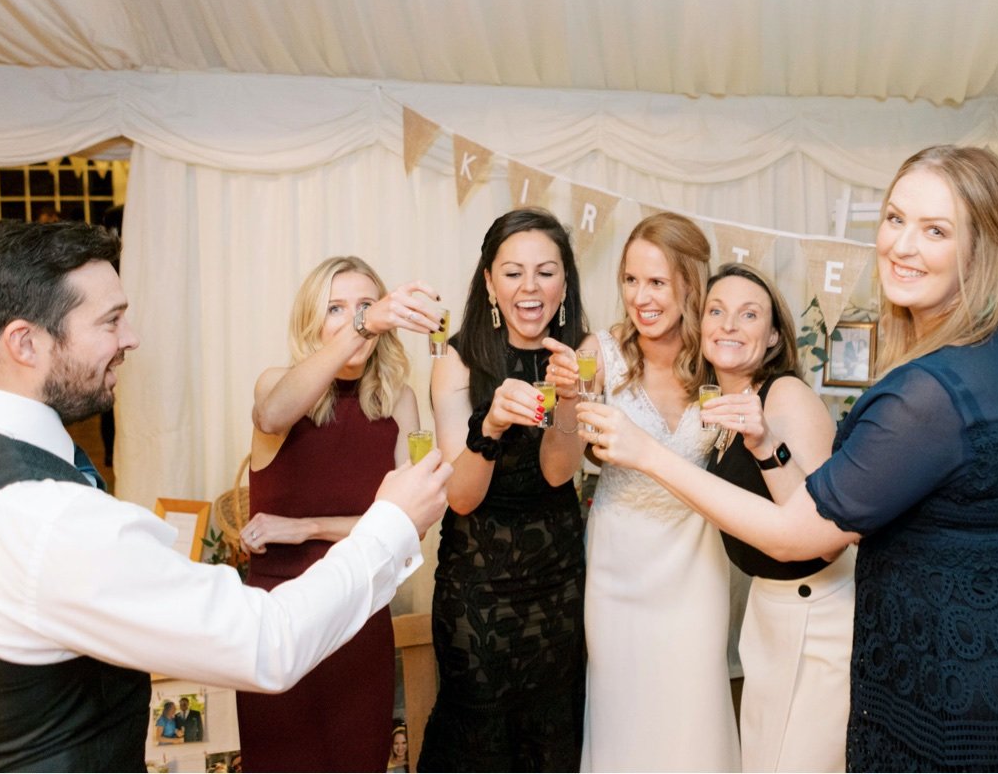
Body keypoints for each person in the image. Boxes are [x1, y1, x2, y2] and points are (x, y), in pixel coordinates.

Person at [0, 220, 450, 771]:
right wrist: (391, 521)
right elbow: (266, 643)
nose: (132, 339)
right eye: (111, 320)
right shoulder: (49, 519)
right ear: (25, 343)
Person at [581, 146, 998, 771]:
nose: (902, 246)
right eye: (894, 219)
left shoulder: (929, 394)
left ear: (980, 248)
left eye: (935, 230)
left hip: (965, 707)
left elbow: (799, 534)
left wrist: (646, 455)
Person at [236, 256, 439, 772]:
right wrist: (363, 323)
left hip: (359, 618)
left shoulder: (399, 402)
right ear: (313, 322)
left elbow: (409, 521)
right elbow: (271, 414)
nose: (356, 319)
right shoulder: (275, 385)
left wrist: (308, 528)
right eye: (336, 308)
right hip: (278, 622)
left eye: (367, 307)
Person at [420, 208, 592, 773]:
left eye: (546, 271)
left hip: (556, 582)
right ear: (489, 282)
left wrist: (570, 397)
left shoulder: (580, 352)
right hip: (479, 588)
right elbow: (462, 499)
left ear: (565, 281)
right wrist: (489, 428)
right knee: (479, 739)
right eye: (513, 272)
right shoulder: (459, 363)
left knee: (551, 731)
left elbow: (557, 473)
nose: (530, 287)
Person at [576, 212, 740, 772]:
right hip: (620, 565)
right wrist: (563, 400)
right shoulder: (597, 352)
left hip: (697, 565)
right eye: (630, 280)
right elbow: (560, 458)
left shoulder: (721, 355)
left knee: (692, 712)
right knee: (623, 715)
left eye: (656, 282)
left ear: (690, 285)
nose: (639, 298)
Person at [696, 264, 854, 772]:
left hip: (818, 615)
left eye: (749, 315)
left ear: (772, 338)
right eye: (716, 311)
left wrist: (765, 444)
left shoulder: (785, 394)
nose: (729, 325)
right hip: (770, 609)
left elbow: (824, 538)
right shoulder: (724, 404)